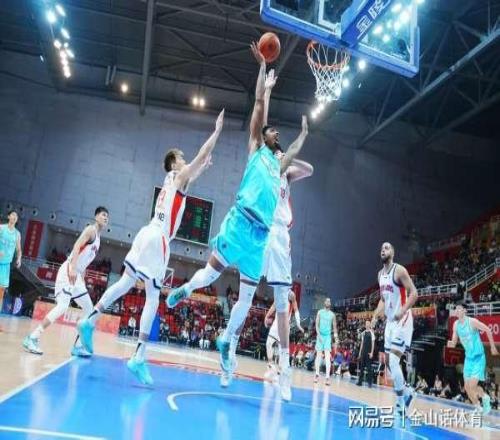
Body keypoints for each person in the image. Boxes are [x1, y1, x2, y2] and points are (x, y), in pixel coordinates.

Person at [165, 43, 309, 396]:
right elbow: (259, 106)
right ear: (264, 136)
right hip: (241, 221)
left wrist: (303, 136)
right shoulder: (256, 149)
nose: (274, 132)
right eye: (271, 130)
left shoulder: (278, 166)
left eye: (276, 133)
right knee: (212, 272)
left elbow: (294, 156)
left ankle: (227, 341)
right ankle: (187, 289)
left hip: (259, 236)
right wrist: (262, 71)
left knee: (246, 298)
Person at [77, 110, 225, 385]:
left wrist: (203, 168)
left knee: (125, 282)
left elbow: (192, 174)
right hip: (159, 239)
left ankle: (90, 319)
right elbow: (201, 156)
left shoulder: (171, 181)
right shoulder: (178, 176)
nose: (185, 161)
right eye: (182, 158)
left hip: (146, 232)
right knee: (153, 298)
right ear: (174, 163)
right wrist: (216, 132)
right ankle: (139, 356)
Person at [259, 70, 312, 400]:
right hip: (258, 228)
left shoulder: (284, 173)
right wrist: (266, 91)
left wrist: (289, 159)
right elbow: (261, 128)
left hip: (279, 236)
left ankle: (285, 368)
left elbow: (309, 170)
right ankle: (229, 345)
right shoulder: (262, 163)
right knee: (242, 283)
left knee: (281, 302)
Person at [23, 207, 109, 356]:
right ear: (96, 217)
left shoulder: (99, 239)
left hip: (77, 276)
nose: (106, 218)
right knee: (62, 306)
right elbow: (76, 246)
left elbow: (85, 260)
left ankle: (78, 346)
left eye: (107, 216)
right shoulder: (91, 230)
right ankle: (32, 337)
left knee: (90, 310)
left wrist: (81, 277)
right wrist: (73, 268)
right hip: (69, 270)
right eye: (103, 215)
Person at [371, 242, 418, 417]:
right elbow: (383, 300)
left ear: (393, 252)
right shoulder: (380, 275)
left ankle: (400, 403)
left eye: (387, 248)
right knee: (390, 363)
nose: (383, 250)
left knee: (393, 361)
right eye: (381, 248)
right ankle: (407, 393)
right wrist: (375, 316)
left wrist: (403, 310)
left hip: (402, 320)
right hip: (390, 323)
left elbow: (414, 293)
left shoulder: (399, 271)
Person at [447, 302, 498, 414]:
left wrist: (492, 347)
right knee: (467, 387)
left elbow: (488, 330)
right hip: (468, 359)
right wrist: (450, 343)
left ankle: (485, 397)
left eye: (459, 309)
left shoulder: (472, 322)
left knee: (472, 385)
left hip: (479, 358)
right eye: (456, 309)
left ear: (465, 311)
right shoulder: (456, 324)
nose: (457, 311)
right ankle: (478, 406)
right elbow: (454, 343)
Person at [263, 290, 304, 382]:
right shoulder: (279, 291)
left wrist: (298, 324)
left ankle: (279, 372)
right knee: (268, 343)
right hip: (276, 324)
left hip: (285, 325)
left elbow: (296, 310)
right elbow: (273, 306)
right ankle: (271, 366)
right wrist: (267, 316)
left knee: (282, 350)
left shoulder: (291, 294)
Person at [0, 210, 22, 315]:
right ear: (9, 216)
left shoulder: (17, 234)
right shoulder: (1, 228)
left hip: (6, 265)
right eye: (13, 215)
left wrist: (19, 259)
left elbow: (19, 250)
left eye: (16, 216)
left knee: (1, 291)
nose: (14, 217)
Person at [314, 298, 339, 386]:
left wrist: (336, 338)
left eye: (329, 301)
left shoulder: (332, 315)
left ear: (330, 304)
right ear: (324, 302)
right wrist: (318, 335)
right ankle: (317, 375)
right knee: (318, 356)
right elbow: (316, 325)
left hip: (327, 337)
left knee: (328, 357)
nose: (328, 302)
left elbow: (334, 328)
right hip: (320, 336)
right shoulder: (320, 312)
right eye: (327, 301)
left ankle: (327, 378)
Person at [357, 320, 375, 387]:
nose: (367, 324)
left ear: (370, 325)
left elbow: (373, 343)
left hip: (368, 352)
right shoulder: (363, 333)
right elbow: (362, 343)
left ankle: (369, 383)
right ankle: (360, 382)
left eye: (368, 323)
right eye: (366, 323)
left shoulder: (372, 333)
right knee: (361, 368)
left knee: (369, 368)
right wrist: (360, 353)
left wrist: (372, 353)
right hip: (363, 352)